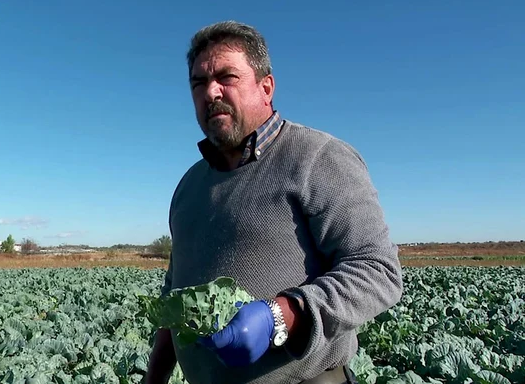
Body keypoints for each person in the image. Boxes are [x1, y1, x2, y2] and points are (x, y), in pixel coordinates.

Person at [144, 21, 403, 384]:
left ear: (266, 87)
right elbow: (176, 291)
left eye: (226, 77)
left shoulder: (318, 157)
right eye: (198, 83)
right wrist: (154, 376)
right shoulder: (189, 186)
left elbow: (378, 270)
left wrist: (280, 316)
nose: (211, 92)